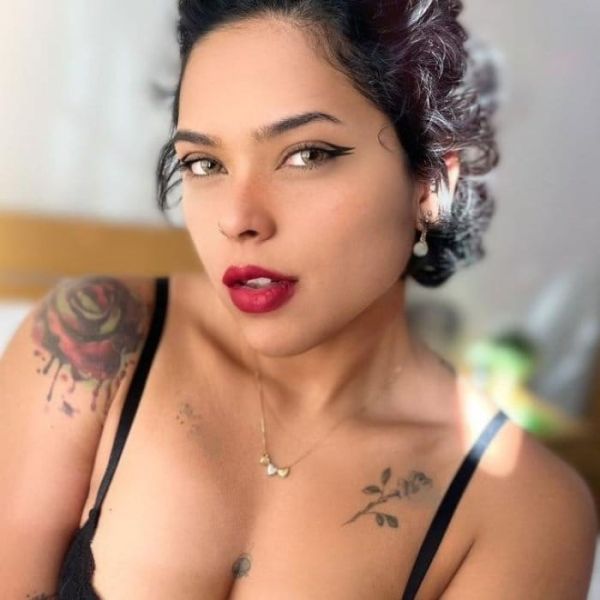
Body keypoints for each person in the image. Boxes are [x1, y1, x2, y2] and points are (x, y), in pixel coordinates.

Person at [1, 1, 597, 598]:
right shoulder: (93, 345)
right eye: (205, 163)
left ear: (429, 184)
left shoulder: (521, 510)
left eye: (307, 154)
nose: (238, 218)